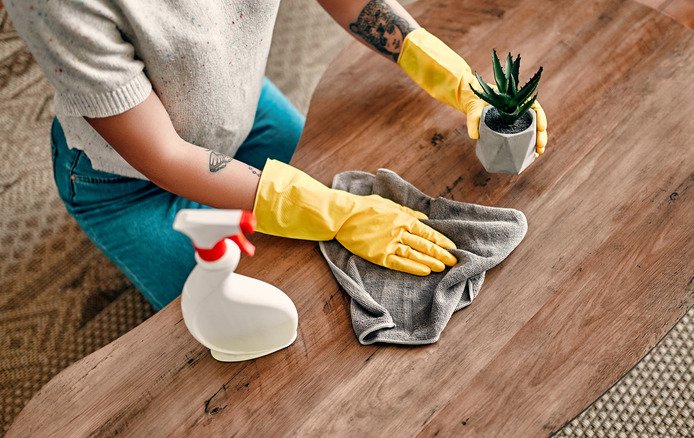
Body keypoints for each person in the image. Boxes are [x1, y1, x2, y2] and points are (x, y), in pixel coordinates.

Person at [4, 0, 548, 310]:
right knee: (240, 317)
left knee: (331, 266)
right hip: (127, 181)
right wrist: (336, 212)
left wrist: (448, 72)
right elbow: (166, 156)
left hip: (240, 107)